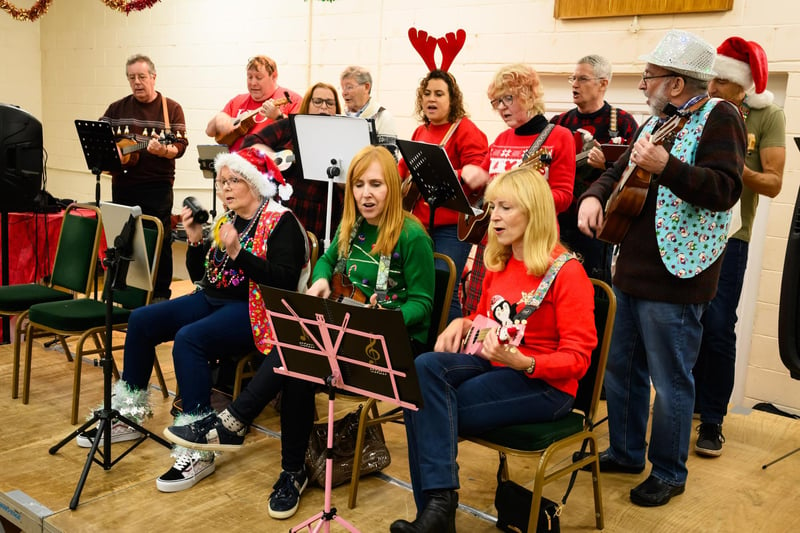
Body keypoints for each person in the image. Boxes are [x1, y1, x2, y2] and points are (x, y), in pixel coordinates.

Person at [163, 145, 435, 520]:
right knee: (296, 360)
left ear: (391, 185)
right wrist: (322, 278)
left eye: (376, 184)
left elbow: (423, 305)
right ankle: (291, 471)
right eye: (358, 185)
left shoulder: (412, 236)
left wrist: (384, 320)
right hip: (348, 331)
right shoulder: (351, 226)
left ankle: (236, 426)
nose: (366, 194)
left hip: (388, 345)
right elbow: (325, 259)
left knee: (297, 356)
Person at [75, 147, 310, 494]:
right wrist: (199, 243)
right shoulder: (226, 219)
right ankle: (129, 414)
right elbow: (205, 276)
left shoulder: (281, 221)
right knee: (141, 320)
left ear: (256, 184)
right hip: (212, 299)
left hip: (255, 310)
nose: (226, 188)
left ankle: (199, 446)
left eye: (235, 181)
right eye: (222, 181)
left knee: (189, 339)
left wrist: (237, 253)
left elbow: (284, 281)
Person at [576, 30, 746, 507]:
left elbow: (725, 189)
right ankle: (626, 451)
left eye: (649, 78)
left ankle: (669, 472)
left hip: (678, 276)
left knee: (670, 382)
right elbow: (619, 172)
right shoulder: (660, 123)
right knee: (621, 370)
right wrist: (592, 196)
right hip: (631, 269)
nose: (643, 86)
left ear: (674, 83)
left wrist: (668, 167)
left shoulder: (721, 117)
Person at [389, 166, 597, 533]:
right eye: (492, 206)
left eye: (505, 208)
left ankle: (435, 514)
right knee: (423, 369)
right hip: (497, 363)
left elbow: (579, 360)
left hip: (547, 385)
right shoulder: (501, 261)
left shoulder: (566, 272)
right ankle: (437, 512)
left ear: (534, 212)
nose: (494, 217)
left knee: (423, 406)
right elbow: (488, 319)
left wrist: (527, 362)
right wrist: (464, 322)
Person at [693, 37, 786, 457]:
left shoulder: (768, 116)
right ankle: (688, 406)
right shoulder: (700, 108)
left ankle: (712, 420)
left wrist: (731, 167)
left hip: (731, 237)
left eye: (719, 79)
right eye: (710, 77)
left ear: (741, 85)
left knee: (716, 328)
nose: (710, 85)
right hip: (685, 232)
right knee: (683, 325)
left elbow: (773, 182)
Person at [461, 63, 575, 316]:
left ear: (529, 95)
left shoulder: (559, 137)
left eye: (507, 98)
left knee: (519, 316)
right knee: (480, 315)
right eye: (496, 102)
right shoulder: (501, 139)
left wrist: (525, 199)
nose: (501, 107)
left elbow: (565, 197)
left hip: (533, 244)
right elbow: (479, 185)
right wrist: (470, 176)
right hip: (494, 240)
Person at [398, 69, 488, 321]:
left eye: (439, 94)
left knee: (444, 288)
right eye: (427, 94)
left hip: (451, 230)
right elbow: (402, 170)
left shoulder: (466, 130)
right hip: (419, 226)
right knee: (421, 288)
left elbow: (477, 174)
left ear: (452, 99)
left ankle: (449, 346)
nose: (431, 99)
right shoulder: (420, 132)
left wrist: (455, 174)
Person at [100, 54, 188, 301]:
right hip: (123, 186)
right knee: (123, 240)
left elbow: (179, 146)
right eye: (131, 77)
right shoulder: (117, 108)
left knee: (159, 240)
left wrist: (164, 150)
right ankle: (122, 294)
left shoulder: (171, 109)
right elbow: (100, 138)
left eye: (141, 76)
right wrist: (114, 151)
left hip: (156, 188)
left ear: (153, 77)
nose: (137, 82)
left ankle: (160, 295)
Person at [550, 55, 639, 283]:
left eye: (582, 79)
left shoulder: (623, 123)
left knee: (593, 285)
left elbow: (637, 175)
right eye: (573, 78)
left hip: (596, 225)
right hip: (557, 221)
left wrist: (607, 165)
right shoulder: (558, 123)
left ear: (603, 83)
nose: (574, 84)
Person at [241, 82, 343, 244]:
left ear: (336, 109)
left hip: (322, 215)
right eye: (317, 101)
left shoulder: (342, 136)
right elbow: (250, 144)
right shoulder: (289, 126)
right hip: (284, 208)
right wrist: (275, 158)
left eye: (330, 103)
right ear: (307, 104)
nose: (324, 107)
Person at [205, 55, 302, 151]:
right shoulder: (237, 101)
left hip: (269, 164)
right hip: (234, 164)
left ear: (274, 76)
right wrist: (217, 120)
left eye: (259, 77)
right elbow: (209, 132)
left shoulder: (293, 100)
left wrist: (279, 117)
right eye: (250, 77)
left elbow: (301, 136)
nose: (253, 83)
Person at [340, 65, 398, 155]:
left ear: (366, 87)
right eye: (343, 88)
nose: (344, 93)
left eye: (349, 87)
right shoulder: (339, 116)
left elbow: (389, 160)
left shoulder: (383, 118)